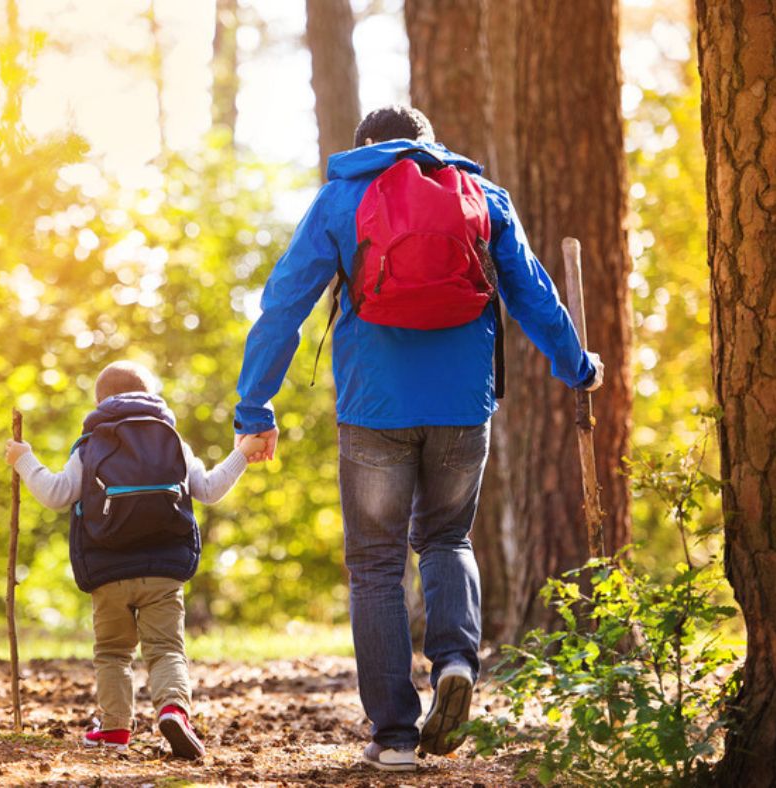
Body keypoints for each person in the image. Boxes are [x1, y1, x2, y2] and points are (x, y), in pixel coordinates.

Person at [234, 105, 605, 772]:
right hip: (463, 408)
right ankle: (457, 662)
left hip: (375, 409)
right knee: (446, 538)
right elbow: (535, 296)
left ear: (364, 148)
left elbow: (284, 305)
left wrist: (253, 407)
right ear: (429, 146)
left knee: (376, 564)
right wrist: (577, 366)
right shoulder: (483, 197)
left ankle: (395, 737)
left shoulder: (340, 198)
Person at [5, 359, 266, 759]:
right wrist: (243, 455)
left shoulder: (91, 445)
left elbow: (57, 495)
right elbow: (210, 490)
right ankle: (174, 710)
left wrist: (25, 458)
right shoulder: (173, 440)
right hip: (164, 569)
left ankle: (113, 728)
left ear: (100, 401)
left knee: (112, 653)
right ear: (151, 396)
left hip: (107, 569)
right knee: (166, 650)